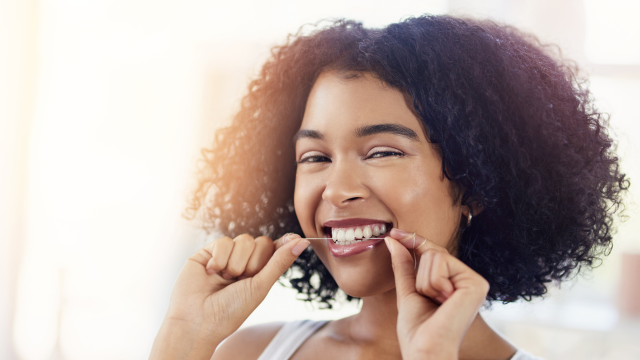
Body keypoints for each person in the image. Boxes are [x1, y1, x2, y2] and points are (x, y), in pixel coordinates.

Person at [149, 15, 628, 360]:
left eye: (382, 152)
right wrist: (183, 337)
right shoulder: (248, 353)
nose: (336, 190)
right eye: (315, 157)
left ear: (476, 183)